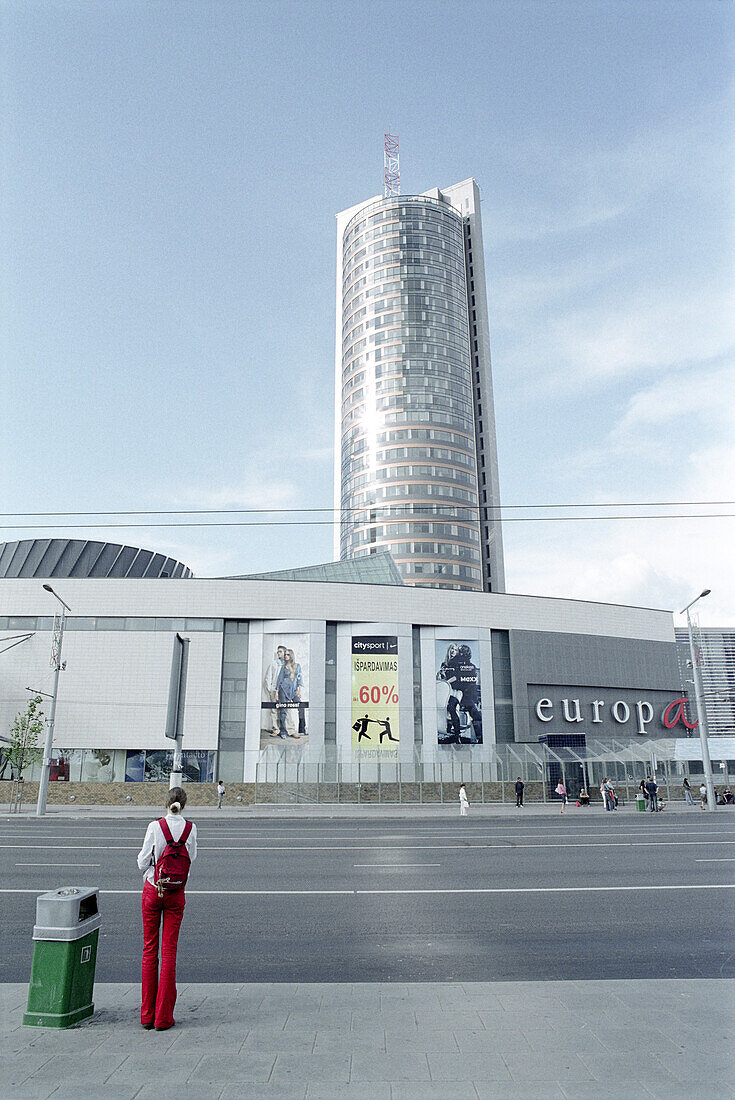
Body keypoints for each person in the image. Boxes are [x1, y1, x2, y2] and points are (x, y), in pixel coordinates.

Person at [137, 787, 198, 1031]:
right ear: (184, 805)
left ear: (166, 803)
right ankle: (164, 1018)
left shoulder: (155, 827)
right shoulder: (190, 828)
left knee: (150, 950)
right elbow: (191, 858)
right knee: (169, 951)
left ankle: (147, 1016)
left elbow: (142, 861)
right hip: (176, 894)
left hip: (154, 890)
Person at [275, 649, 303, 738]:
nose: (286, 656)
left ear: (291, 655)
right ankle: (283, 731)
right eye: (285, 654)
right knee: (283, 710)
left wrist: (299, 691)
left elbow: (299, 679)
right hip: (283, 689)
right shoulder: (283, 667)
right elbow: (279, 680)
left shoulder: (297, 666)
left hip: (293, 690)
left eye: (288, 654)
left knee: (301, 707)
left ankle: (302, 729)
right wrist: (276, 692)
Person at [264, 645, 285, 736]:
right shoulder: (273, 664)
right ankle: (276, 729)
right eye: (278, 651)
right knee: (274, 710)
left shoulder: (287, 664)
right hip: (274, 690)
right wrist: (270, 689)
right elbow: (268, 677)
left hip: (283, 691)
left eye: (280, 651)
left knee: (284, 709)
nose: (278, 653)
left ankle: (284, 729)